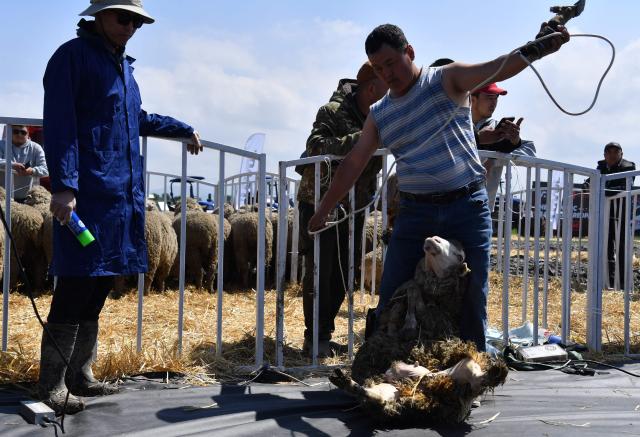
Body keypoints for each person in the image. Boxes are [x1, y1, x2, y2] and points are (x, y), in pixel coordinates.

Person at [309, 23, 569, 352]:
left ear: (410, 52)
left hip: (467, 205)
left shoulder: (446, 79)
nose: (387, 73)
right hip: (416, 211)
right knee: (391, 292)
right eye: (378, 69)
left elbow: (501, 65)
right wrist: (325, 208)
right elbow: (353, 162)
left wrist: (540, 46)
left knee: (474, 292)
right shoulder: (380, 114)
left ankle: (471, 372)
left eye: (391, 63)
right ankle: (379, 366)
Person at [40, 0, 203, 414]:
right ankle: (53, 383)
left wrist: (182, 129)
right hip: (87, 195)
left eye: (137, 22)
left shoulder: (124, 69)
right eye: (122, 17)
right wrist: (64, 186)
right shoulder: (72, 57)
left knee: (99, 284)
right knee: (76, 282)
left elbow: (137, 118)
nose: (130, 26)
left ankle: (81, 374)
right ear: (98, 16)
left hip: (119, 200)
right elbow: (59, 122)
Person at [297, 61, 388, 357]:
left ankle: (324, 333)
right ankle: (315, 338)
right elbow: (315, 147)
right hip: (320, 202)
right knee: (320, 271)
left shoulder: (382, 115)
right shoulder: (332, 111)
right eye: (388, 84)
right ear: (372, 87)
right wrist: (364, 140)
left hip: (355, 206)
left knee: (344, 271)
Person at [471, 82, 536, 210]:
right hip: (446, 202)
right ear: (473, 99)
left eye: (496, 98)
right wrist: (478, 139)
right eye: (489, 97)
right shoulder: (456, 125)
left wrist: (514, 142)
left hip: (481, 209)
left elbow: (530, 152)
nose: (494, 102)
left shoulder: (500, 129)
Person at [585, 142, 636, 288]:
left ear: (621, 154)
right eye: (609, 152)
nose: (612, 155)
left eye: (616, 152)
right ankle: (608, 282)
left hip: (621, 214)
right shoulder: (600, 167)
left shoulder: (628, 167)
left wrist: (600, 189)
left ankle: (623, 284)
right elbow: (588, 184)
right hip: (604, 214)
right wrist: (593, 187)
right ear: (604, 155)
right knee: (605, 248)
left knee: (621, 249)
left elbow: (621, 187)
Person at [0, 125, 49, 202]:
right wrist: (12, 165)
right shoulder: (1, 144)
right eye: (15, 132)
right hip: (3, 198)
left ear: (28, 133)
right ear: (10, 132)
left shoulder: (36, 147)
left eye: (23, 132)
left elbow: (46, 170)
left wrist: (32, 171)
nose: (19, 134)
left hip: (29, 199)